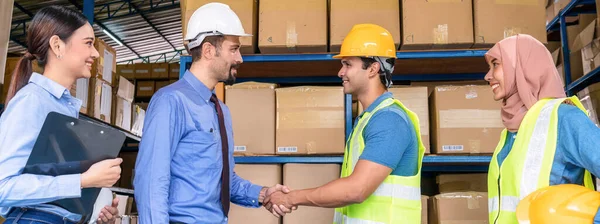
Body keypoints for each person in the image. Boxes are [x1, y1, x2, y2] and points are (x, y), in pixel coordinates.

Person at [133, 3, 294, 223]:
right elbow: (151, 181)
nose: (240, 58)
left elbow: (221, 181)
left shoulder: (220, 111)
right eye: (233, 49)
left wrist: (262, 194)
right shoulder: (171, 102)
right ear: (209, 50)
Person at [263, 24, 426, 224]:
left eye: (348, 64)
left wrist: (290, 197)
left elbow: (356, 190)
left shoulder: (389, 120)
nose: (341, 72)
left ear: (373, 69)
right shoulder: (366, 119)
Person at [0, 5, 122, 224]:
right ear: (57, 45)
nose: (95, 53)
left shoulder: (64, 108)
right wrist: (83, 180)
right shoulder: (32, 101)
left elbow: (57, 194)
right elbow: (3, 187)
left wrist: (94, 216)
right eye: (88, 43)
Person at [483, 34, 600, 224]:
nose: (488, 76)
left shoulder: (563, 118)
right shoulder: (510, 133)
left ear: (521, 66)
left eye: (496, 64)